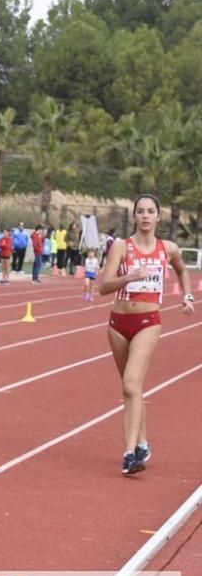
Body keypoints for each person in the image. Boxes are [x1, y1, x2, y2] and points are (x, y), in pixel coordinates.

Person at [99, 195, 194, 476]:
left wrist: (186, 295)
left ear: (157, 217)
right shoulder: (121, 246)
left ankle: (129, 455)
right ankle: (141, 443)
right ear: (135, 217)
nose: (145, 216)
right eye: (140, 211)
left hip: (148, 321)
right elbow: (104, 286)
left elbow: (181, 269)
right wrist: (128, 277)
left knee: (130, 384)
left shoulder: (168, 248)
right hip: (118, 323)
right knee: (132, 389)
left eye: (150, 211)